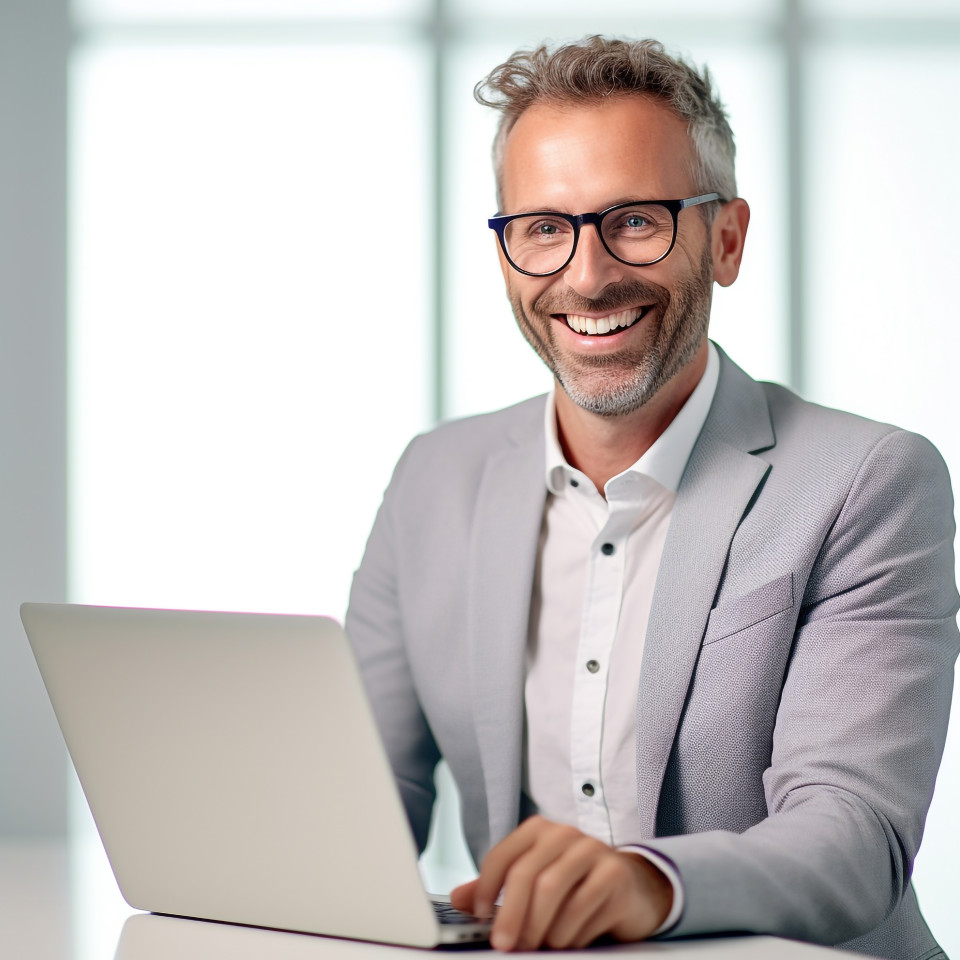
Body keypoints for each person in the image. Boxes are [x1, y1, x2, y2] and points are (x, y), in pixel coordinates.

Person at [345, 36, 959, 959]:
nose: (586, 277)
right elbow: (357, 807)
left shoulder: (870, 482)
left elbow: (854, 838)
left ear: (727, 239)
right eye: (544, 228)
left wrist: (648, 881)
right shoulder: (434, 477)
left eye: (635, 220)